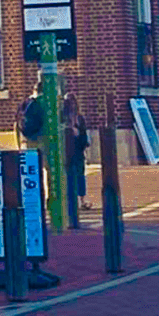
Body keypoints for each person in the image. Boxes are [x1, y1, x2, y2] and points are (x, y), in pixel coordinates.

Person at [62, 95, 89, 226]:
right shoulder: (64, 119)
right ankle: (76, 200)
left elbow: (84, 137)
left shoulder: (79, 119)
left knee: (79, 175)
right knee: (74, 175)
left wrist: (78, 135)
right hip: (70, 152)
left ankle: (81, 200)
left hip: (77, 151)